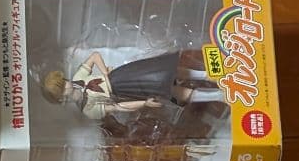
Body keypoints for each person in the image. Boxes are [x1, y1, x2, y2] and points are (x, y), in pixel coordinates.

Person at [42, 48, 221, 120]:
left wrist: (104, 72)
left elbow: (95, 55)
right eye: (62, 89)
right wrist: (144, 103)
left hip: (122, 75)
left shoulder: (78, 77)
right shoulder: (88, 109)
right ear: (62, 99)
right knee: (171, 91)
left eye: (64, 81)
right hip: (126, 90)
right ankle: (217, 96)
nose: (67, 85)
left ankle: (208, 75)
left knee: (163, 70)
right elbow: (118, 107)